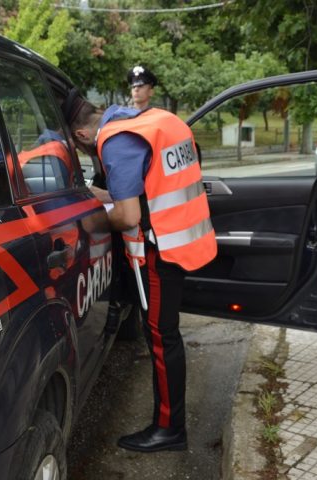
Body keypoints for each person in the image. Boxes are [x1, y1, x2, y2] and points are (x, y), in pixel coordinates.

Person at [67, 94, 217, 453]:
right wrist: (96, 193)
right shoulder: (153, 121)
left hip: (161, 248)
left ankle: (169, 428)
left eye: (81, 147)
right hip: (186, 236)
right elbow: (144, 187)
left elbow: (128, 216)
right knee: (166, 334)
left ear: (83, 135)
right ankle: (169, 424)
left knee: (162, 338)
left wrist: (92, 217)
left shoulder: (114, 143)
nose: (91, 154)